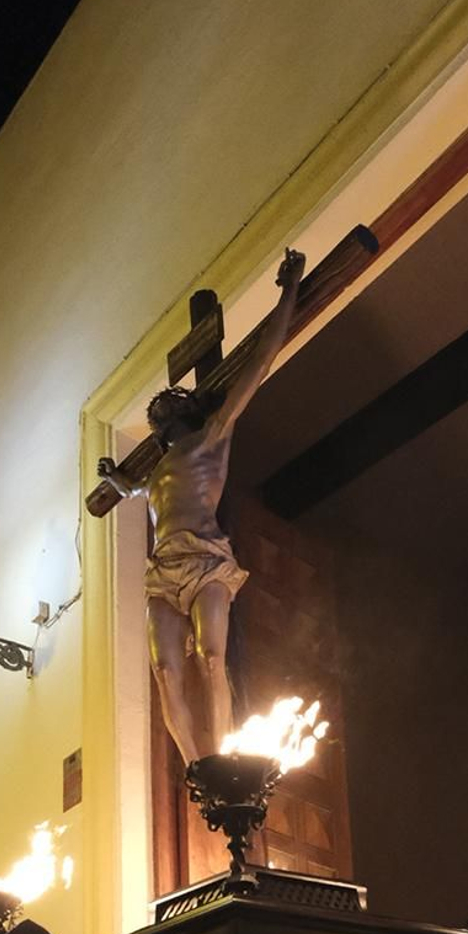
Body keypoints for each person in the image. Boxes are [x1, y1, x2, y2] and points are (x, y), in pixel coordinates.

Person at [89, 247, 305, 766]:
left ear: (187, 409)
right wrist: (118, 480)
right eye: (154, 412)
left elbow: (257, 365)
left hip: (207, 562)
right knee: (164, 672)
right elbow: (139, 493)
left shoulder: (212, 437)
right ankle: (197, 768)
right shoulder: (156, 469)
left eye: (166, 406)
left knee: (211, 659)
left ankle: (228, 759)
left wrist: (289, 291)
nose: (158, 411)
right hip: (164, 571)